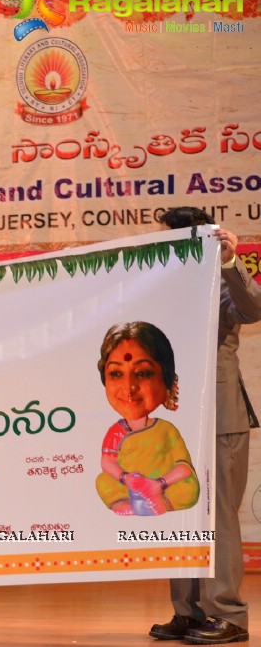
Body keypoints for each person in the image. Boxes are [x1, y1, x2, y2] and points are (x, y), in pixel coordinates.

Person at [148, 207, 261, 645]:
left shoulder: (222, 279)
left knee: (220, 519)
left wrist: (231, 261)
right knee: (180, 511)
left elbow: (253, 309)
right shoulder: (160, 288)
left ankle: (228, 615)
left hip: (219, 415)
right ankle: (190, 612)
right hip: (175, 419)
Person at [94, 322, 199, 516]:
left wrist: (159, 484)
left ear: (167, 380)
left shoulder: (166, 429)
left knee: (190, 487)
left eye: (142, 373)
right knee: (102, 480)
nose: (128, 387)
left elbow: (184, 467)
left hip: (163, 485)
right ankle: (124, 503)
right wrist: (127, 479)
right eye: (116, 374)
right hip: (129, 485)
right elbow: (107, 462)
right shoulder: (116, 431)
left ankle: (161, 502)